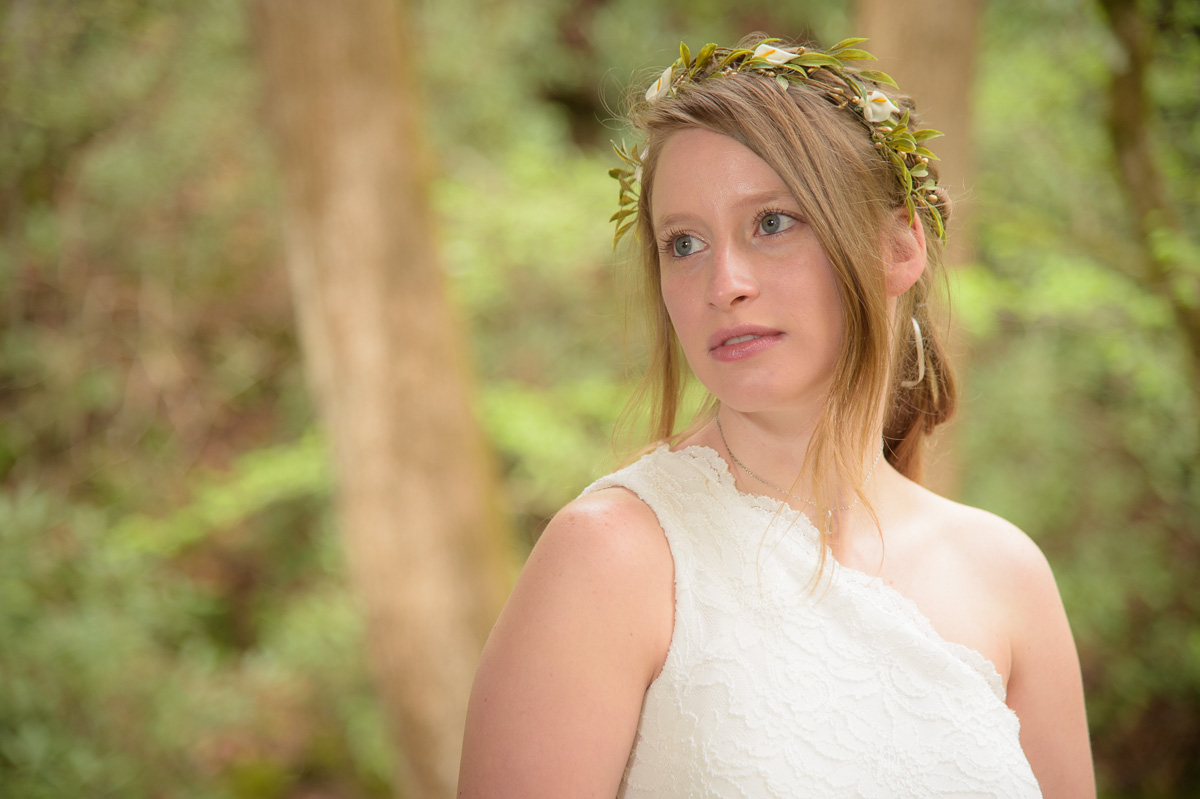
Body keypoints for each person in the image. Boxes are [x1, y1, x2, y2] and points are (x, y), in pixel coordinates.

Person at [457, 34, 1095, 798]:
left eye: (771, 223)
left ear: (898, 247)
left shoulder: (1006, 573)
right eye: (684, 242)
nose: (723, 282)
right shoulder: (613, 557)